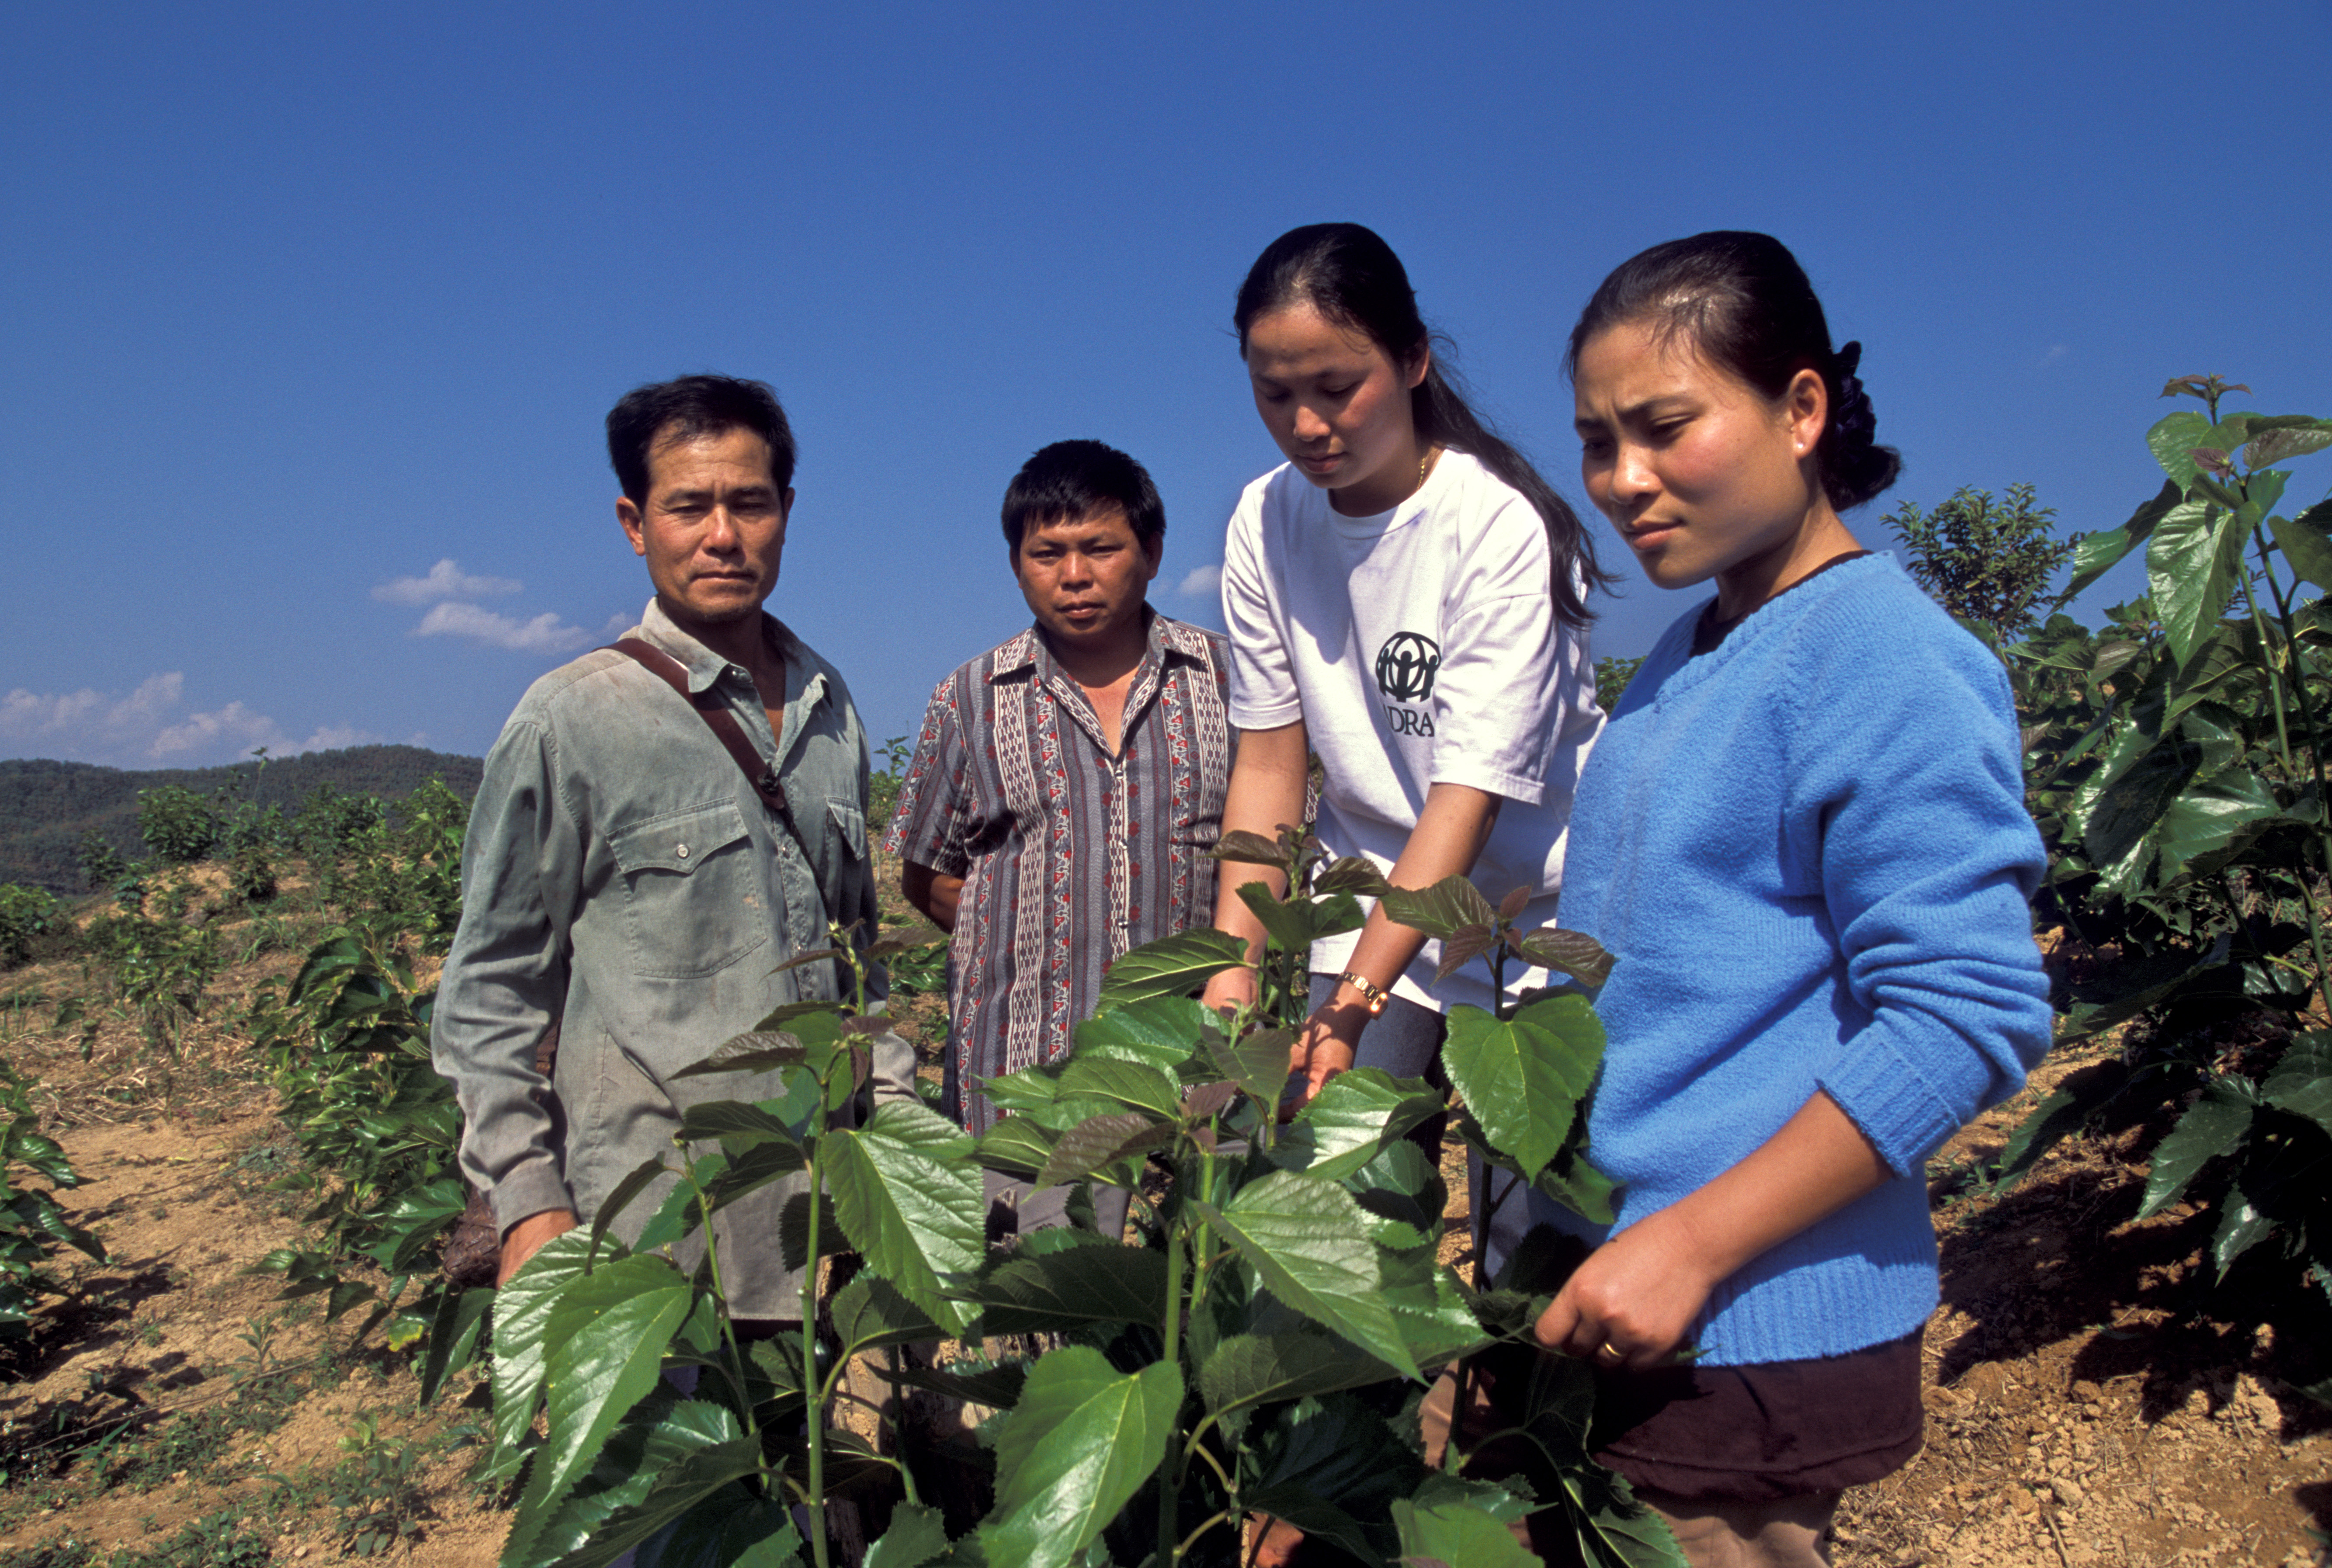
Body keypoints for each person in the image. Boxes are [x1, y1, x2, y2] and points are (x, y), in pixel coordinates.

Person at [1534, 232, 2052, 1565]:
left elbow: (1967, 1015)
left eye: (1664, 427)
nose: (1623, 481)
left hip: (1742, 1320)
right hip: (1624, 1285)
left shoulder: (1883, 654)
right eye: (1598, 442)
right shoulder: (1691, 651)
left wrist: (1693, 1246)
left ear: (1802, 409)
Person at [432, 373, 912, 1318]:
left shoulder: (831, 707)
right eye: (688, 506)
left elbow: (858, 961)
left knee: (816, 1460)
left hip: (822, 1215)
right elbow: (489, 987)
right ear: (633, 522)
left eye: (750, 503)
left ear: (786, 511)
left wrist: (892, 1119)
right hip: (654, 1222)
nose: (723, 535)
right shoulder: (574, 719)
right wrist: (529, 1203)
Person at [1198, 222, 1608, 1179]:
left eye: (1337, 388)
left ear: (1414, 359)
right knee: (1343, 1190)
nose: (1307, 425)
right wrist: (1229, 988)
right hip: (1368, 896)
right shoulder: (1266, 517)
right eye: (1275, 394)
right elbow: (1268, 764)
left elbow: (1465, 800)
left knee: (1532, 1210)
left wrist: (1348, 1009)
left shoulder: (1495, 526)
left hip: (1522, 913)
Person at [885, 439, 1234, 1238]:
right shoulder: (973, 698)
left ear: (1150, 552)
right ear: (1017, 564)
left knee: (1187, 1313)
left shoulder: (1228, 681)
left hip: (1193, 1082)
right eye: (1047, 554)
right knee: (1035, 1315)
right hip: (1025, 1078)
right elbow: (929, 874)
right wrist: (1023, 934)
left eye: (1100, 548)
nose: (1074, 575)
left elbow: (1268, 860)